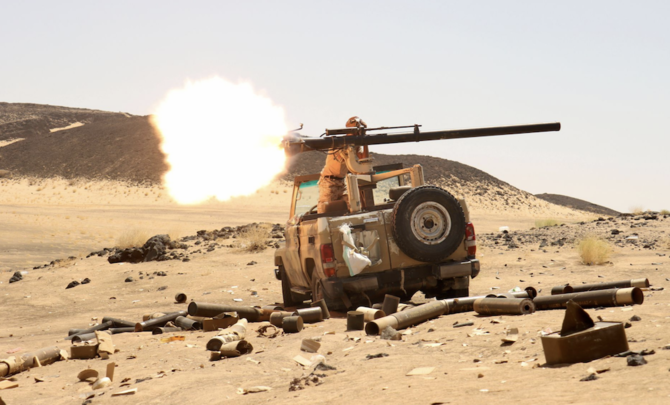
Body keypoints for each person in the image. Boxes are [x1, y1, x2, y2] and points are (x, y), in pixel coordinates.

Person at [316, 116, 367, 214]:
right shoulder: (338, 142)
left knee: (352, 208)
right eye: (356, 128)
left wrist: (365, 139)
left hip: (341, 182)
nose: (357, 132)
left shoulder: (356, 145)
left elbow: (364, 158)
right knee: (324, 212)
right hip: (328, 182)